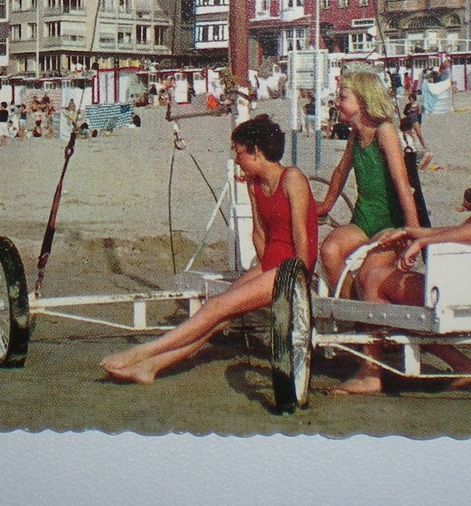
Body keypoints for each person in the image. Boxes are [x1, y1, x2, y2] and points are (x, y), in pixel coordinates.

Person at [99, 115, 316, 385]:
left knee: (216, 306)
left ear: (256, 151)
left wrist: (298, 284)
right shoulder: (255, 184)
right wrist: (260, 276)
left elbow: (302, 239)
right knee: (218, 316)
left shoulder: (291, 178)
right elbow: (260, 235)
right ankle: (151, 367)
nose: (237, 160)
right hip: (271, 264)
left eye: (239, 153)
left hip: (292, 269)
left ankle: (144, 352)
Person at [335, 116, 471, 394]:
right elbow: (464, 230)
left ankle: (370, 372)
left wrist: (418, 243)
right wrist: (409, 232)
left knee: (374, 279)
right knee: (389, 292)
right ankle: (464, 367)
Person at [316, 69, 422, 296]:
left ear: (363, 100)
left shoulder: (384, 132)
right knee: (329, 251)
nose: (337, 103)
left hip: (390, 224)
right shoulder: (355, 135)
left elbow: (403, 186)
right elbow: (340, 172)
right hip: (363, 221)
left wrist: (413, 234)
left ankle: (362, 307)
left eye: (343, 98)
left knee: (367, 276)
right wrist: (325, 206)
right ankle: (351, 305)